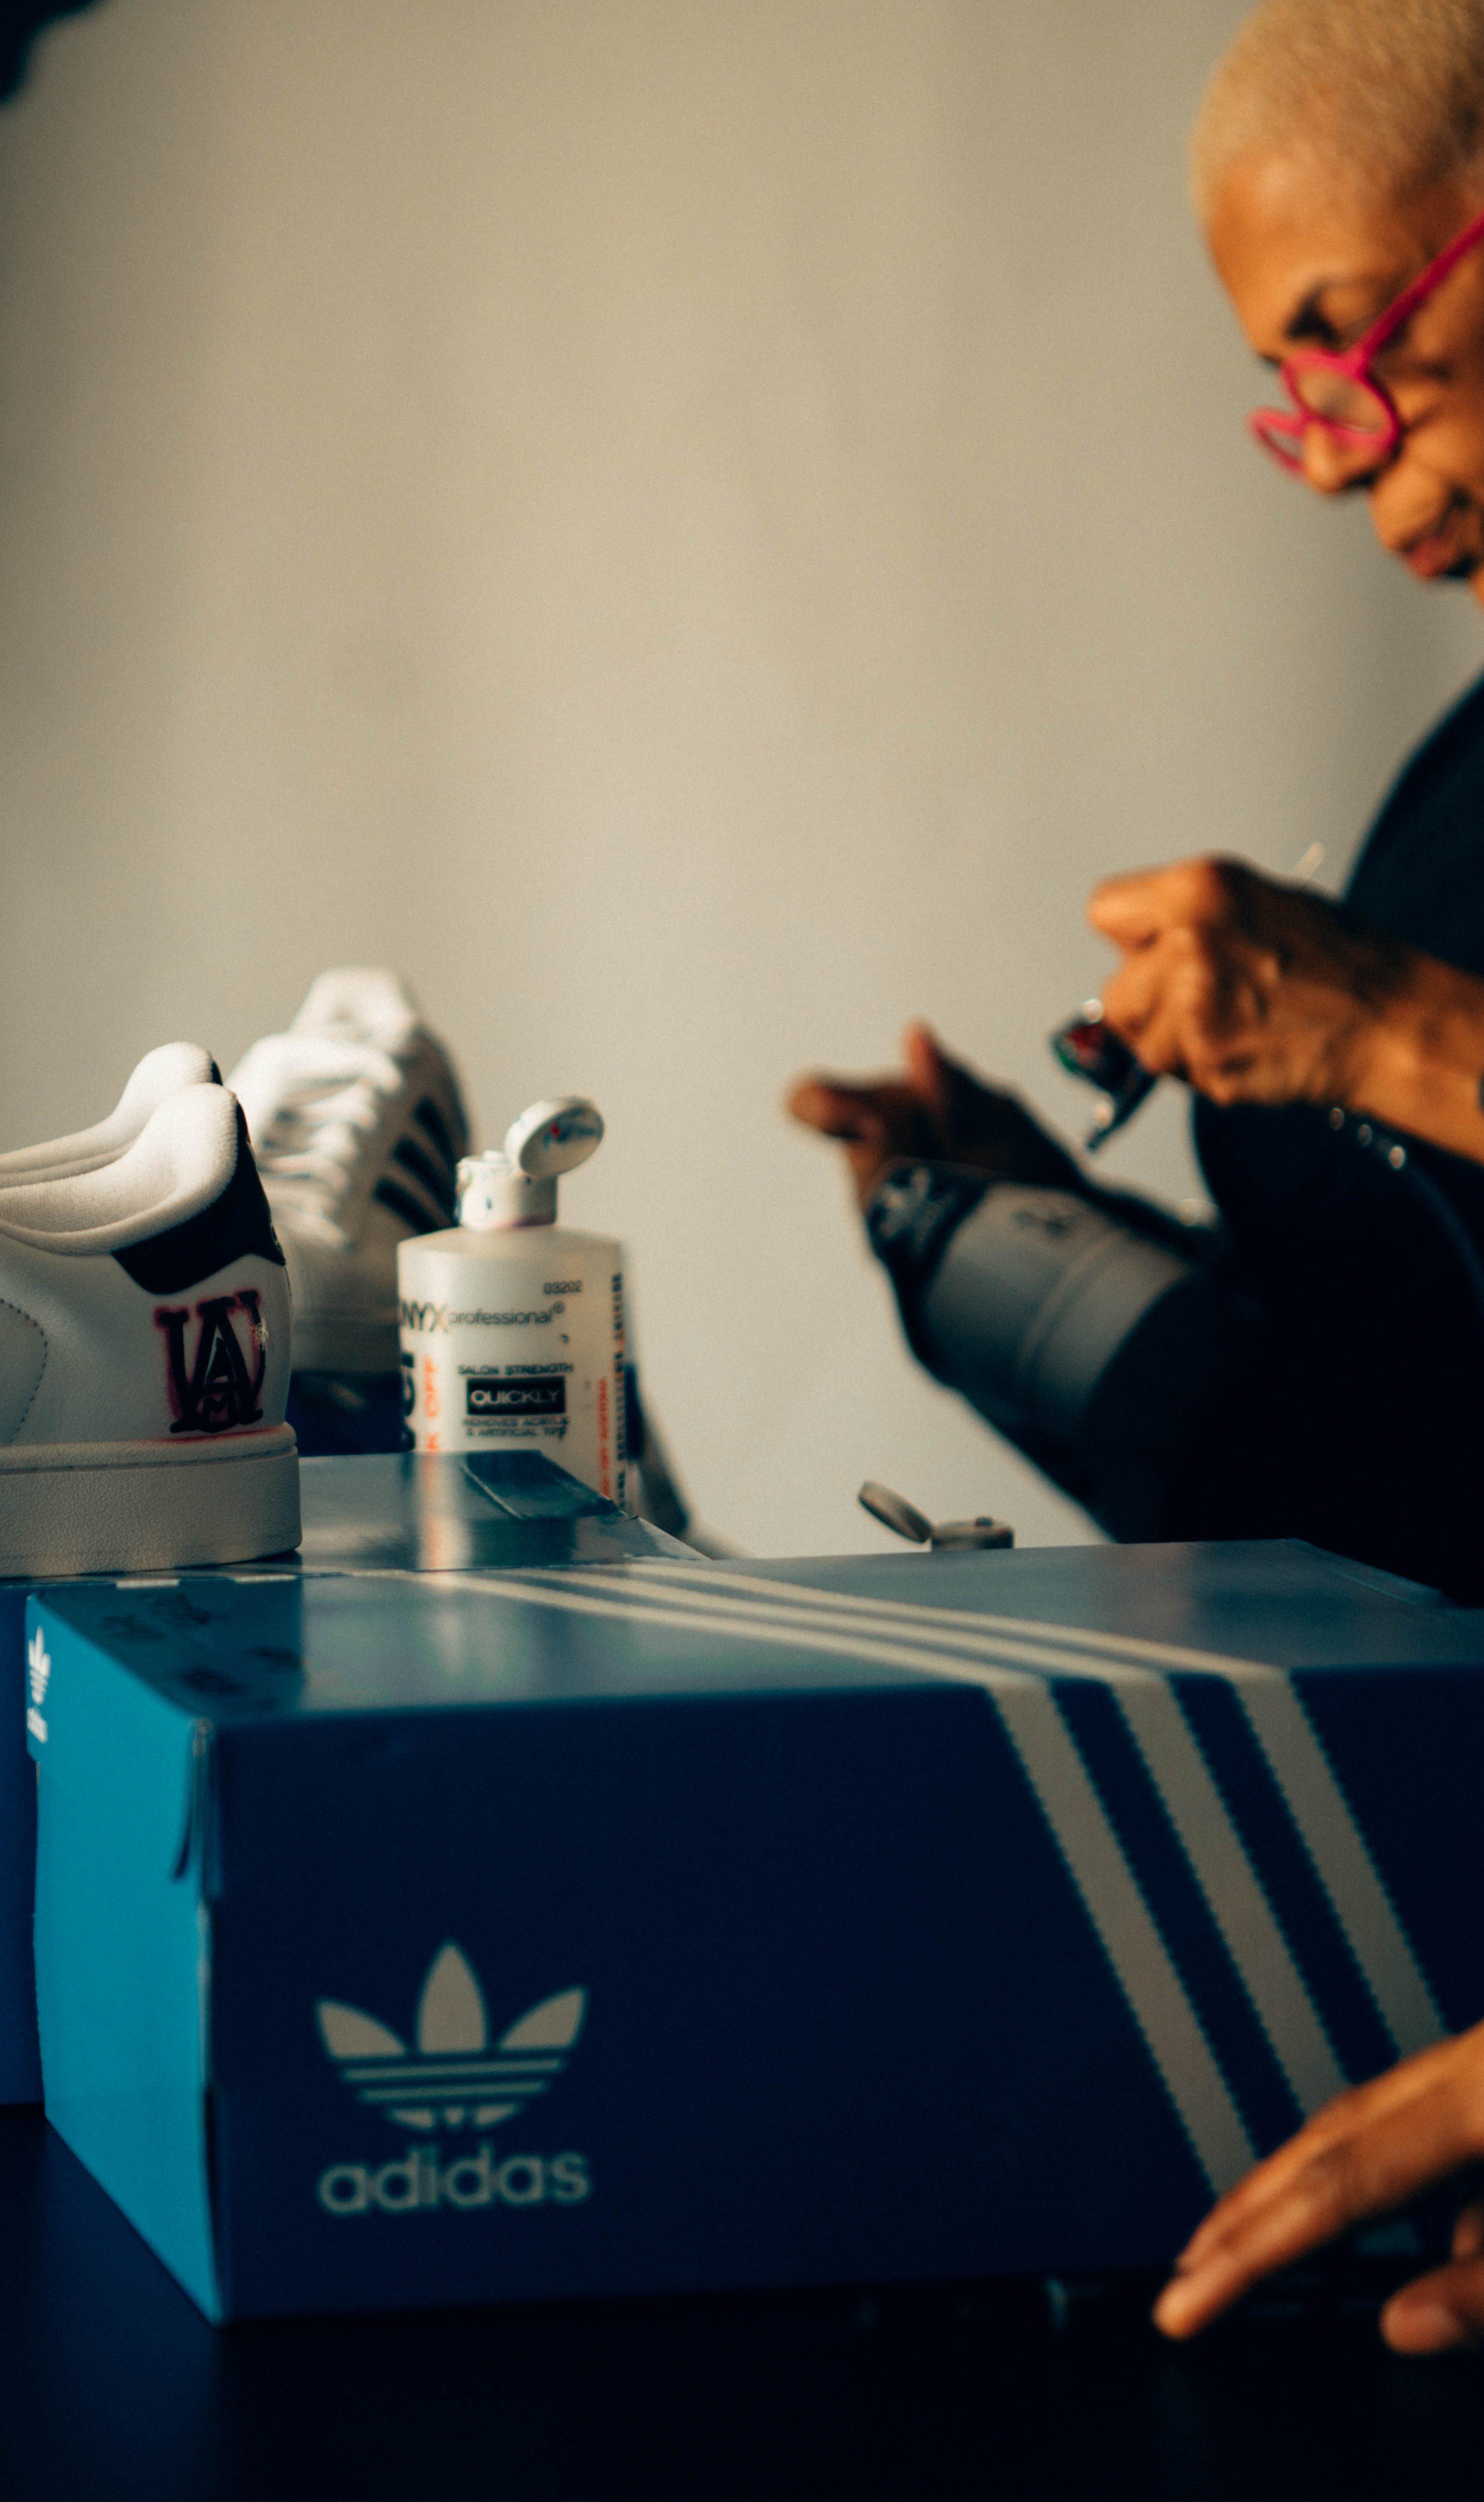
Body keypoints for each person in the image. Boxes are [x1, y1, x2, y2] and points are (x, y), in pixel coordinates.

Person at [796, 0, 1484, 2351]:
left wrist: (1389, 1034)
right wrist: (1034, 1255)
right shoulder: (1457, 785)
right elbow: (1407, 1416)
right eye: (1291, 391)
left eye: (1350, 342)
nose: (1333, 459)